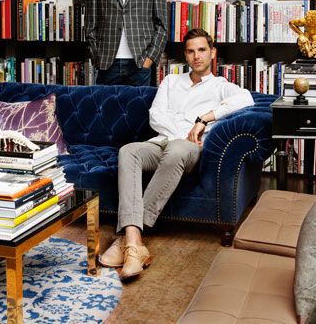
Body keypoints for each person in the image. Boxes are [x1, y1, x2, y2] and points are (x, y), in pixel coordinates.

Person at [99, 28, 254, 280]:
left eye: (202, 50)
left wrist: (203, 119)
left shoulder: (220, 86)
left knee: (178, 149)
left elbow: (246, 99)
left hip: (188, 150)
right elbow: (155, 116)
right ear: (185, 55)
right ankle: (133, 240)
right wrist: (183, 132)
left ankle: (126, 240)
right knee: (128, 151)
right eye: (191, 51)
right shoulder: (171, 81)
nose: (197, 56)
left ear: (212, 53)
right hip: (163, 142)